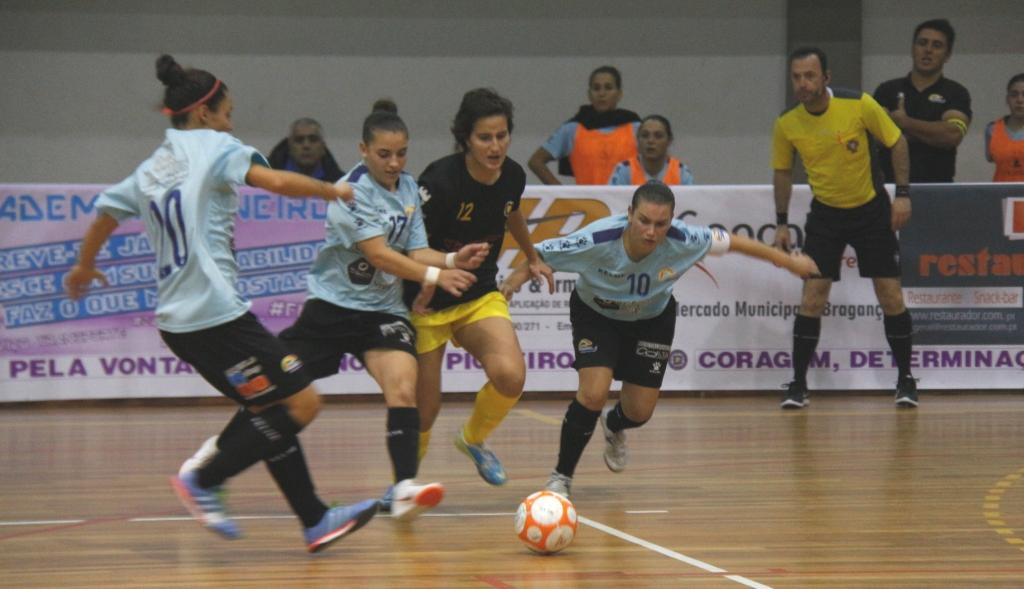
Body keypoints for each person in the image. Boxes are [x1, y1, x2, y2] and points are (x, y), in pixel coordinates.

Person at [63, 55, 378, 553]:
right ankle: (205, 479)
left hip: (178, 322)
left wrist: (83, 265)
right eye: (228, 112)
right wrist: (332, 190)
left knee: (270, 408)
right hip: (215, 314)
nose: (233, 122)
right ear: (206, 113)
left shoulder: (152, 167)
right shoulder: (215, 146)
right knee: (302, 401)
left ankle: (315, 520)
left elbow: (104, 211)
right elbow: (274, 181)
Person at [500, 181, 818, 498]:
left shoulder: (684, 239)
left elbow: (735, 242)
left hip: (652, 320)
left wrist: (789, 262)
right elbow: (538, 256)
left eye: (660, 224)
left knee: (639, 412)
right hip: (596, 316)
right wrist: (512, 283)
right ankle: (561, 478)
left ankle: (615, 425)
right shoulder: (596, 239)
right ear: (629, 215)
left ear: (672, 221)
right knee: (593, 394)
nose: (651, 232)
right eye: (644, 221)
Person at [274, 100, 492, 522]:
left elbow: (415, 250)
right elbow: (379, 256)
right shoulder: (350, 191)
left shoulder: (408, 187)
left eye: (402, 153)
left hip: (383, 312)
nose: (395, 163)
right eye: (384, 154)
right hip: (332, 310)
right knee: (276, 389)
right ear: (363, 150)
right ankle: (220, 456)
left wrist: (451, 261)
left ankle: (404, 488)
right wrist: (434, 279)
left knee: (403, 388)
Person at [401, 88, 553, 495]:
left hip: (477, 294)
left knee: (510, 375)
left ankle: (472, 439)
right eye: (485, 137)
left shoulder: (514, 175)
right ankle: (402, 486)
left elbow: (512, 211)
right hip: (426, 300)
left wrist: (531, 255)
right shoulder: (440, 181)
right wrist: (432, 279)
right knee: (425, 410)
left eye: (502, 135)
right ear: (466, 138)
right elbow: (408, 246)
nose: (496, 145)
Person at [773, 47, 916, 410]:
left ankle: (906, 380)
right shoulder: (787, 123)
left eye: (810, 76)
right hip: (825, 217)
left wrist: (902, 195)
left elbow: (897, 142)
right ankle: (798, 384)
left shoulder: (859, 104)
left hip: (871, 211)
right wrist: (781, 222)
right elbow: (783, 171)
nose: (803, 84)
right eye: (796, 77)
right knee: (812, 298)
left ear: (826, 78)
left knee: (890, 296)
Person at [873, 18, 972, 183]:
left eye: (937, 45)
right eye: (922, 43)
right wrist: (929, 135)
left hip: (938, 191)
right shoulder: (887, 90)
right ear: (913, 49)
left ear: (947, 55)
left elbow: (952, 135)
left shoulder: (956, 93)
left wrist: (905, 123)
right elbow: (873, 137)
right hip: (890, 189)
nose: (928, 50)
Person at [528, 66, 641, 185]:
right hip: (588, 202)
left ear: (619, 93)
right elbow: (536, 161)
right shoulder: (573, 129)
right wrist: (561, 194)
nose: (602, 94)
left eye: (608, 88)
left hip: (627, 201)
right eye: (596, 88)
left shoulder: (636, 129)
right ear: (589, 94)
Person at [608, 115, 694, 185]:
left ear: (669, 140)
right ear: (637, 139)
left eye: (658, 136)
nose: (650, 141)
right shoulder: (624, 170)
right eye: (645, 135)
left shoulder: (681, 172)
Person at [267, 117, 345, 181]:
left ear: (323, 147)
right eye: (299, 140)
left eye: (313, 139)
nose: (306, 145)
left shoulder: (341, 183)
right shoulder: (263, 180)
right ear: (289, 147)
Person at [984, 73, 1024, 182]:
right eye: (1014, 95)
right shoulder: (992, 130)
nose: (1020, 100)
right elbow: (990, 158)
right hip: (1001, 195)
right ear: (1007, 99)